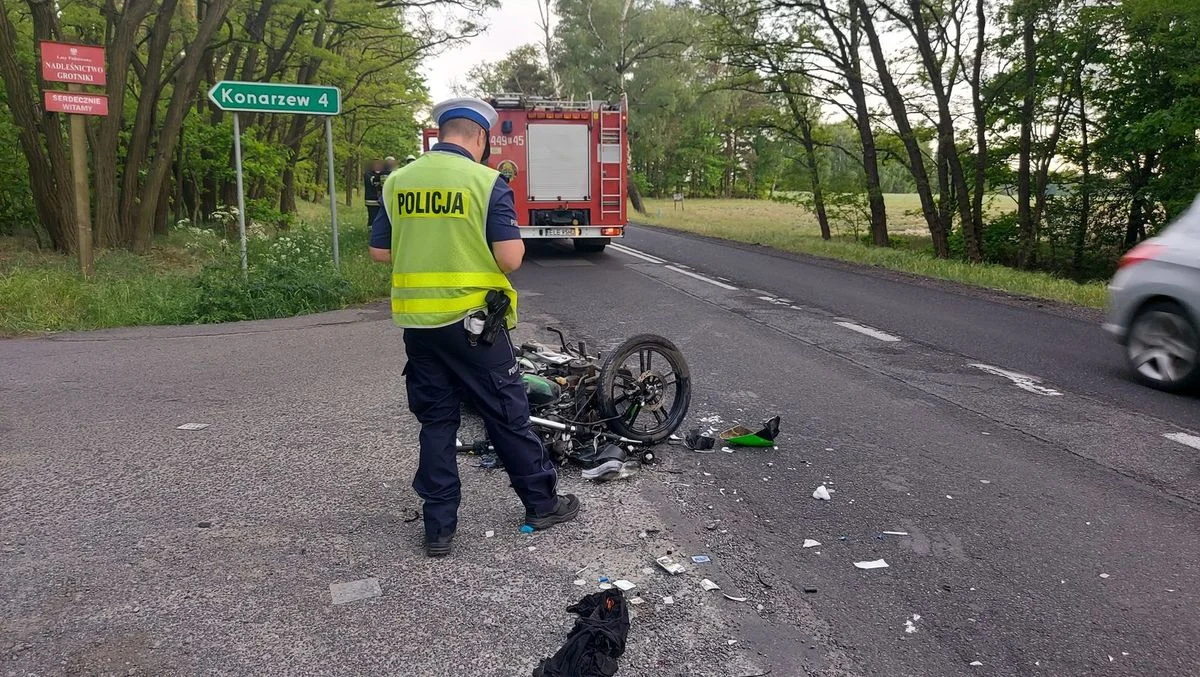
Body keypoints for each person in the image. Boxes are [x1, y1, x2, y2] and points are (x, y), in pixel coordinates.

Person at [368, 97, 580, 557]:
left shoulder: (398, 182)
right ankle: (542, 504)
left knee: (437, 423)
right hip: (473, 326)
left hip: (420, 325)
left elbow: (381, 252)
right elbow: (510, 258)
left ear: (441, 132)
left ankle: (438, 529)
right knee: (507, 414)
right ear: (481, 138)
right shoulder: (486, 183)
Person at [363, 159, 386, 231]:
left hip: (380, 201)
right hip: (371, 200)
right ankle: (371, 232)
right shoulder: (368, 174)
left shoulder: (383, 174)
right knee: (372, 217)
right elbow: (372, 181)